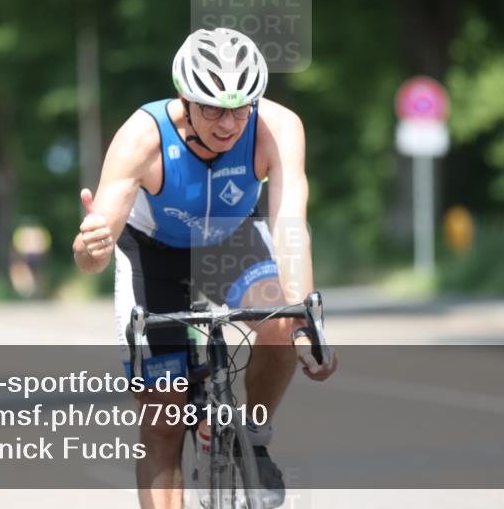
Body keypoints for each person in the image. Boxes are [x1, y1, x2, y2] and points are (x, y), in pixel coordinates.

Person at [72, 27, 337, 509]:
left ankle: (252, 437)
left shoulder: (277, 126)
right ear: (184, 98)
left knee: (281, 317)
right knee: (162, 421)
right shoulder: (142, 136)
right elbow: (95, 251)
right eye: (212, 108)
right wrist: (90, 246)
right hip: (152, 253)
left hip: (231, 244)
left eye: (240, 108)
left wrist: (305, 324)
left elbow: (289, 224)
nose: (228, 124)